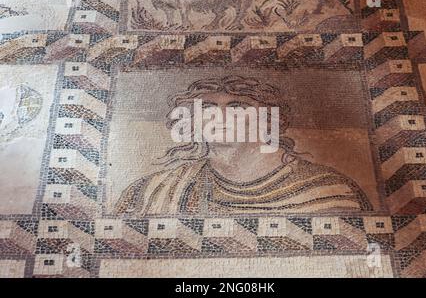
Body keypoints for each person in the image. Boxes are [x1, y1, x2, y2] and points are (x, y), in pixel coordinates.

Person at [114, 76, 372, 216]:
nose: (220, 117)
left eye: (237, 107)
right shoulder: (153, 192)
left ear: (268, 120)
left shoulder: (327, 190)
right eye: (207, 107)